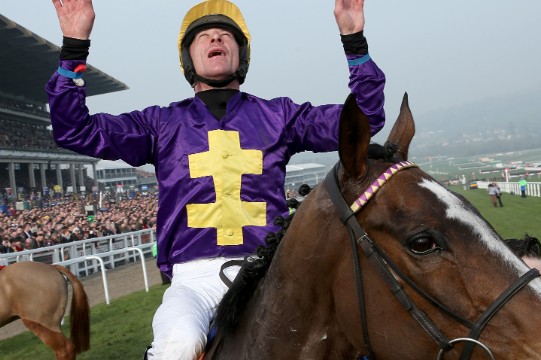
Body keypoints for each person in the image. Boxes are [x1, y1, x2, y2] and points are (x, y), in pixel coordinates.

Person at [48, 0, 385, 359]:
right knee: (177, 346)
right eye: (205, 36)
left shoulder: (279, 116)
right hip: (194, 282)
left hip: (271, 273)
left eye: (225, 36)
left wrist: (354, 42)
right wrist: (73, 47)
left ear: (241, 54)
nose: (216, 39)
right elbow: (74, 130)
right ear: (188, 58)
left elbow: (362, 121)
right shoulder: (159, 124)